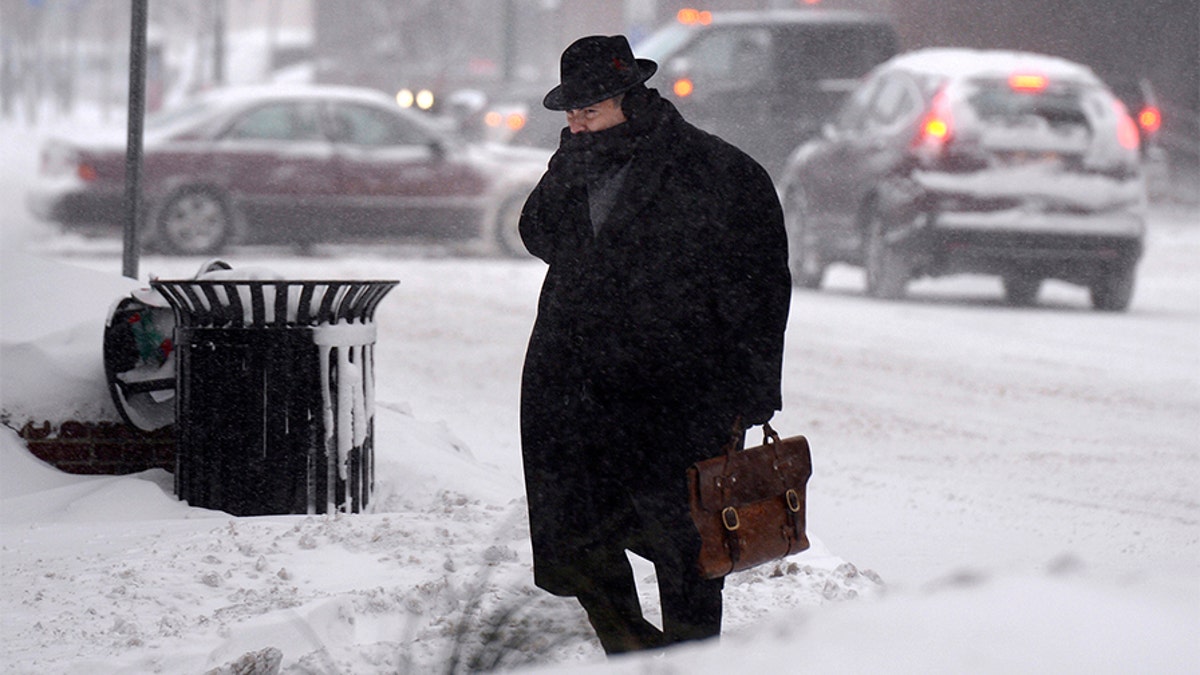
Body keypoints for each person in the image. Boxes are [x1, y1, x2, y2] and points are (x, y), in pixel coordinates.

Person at [518, 35, 791, 655]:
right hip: (576, 390)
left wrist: (753, 391)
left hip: (680, 395)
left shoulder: (719, 171)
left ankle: (689, 661)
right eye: (570, 113)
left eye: (588, 110)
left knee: (687, 549)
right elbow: (537, 235)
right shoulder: (576, 162)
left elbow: (762, 287)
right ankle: (635, 656)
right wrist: (565, 174)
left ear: (628, 99)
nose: (576, 124)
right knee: (582, 540)